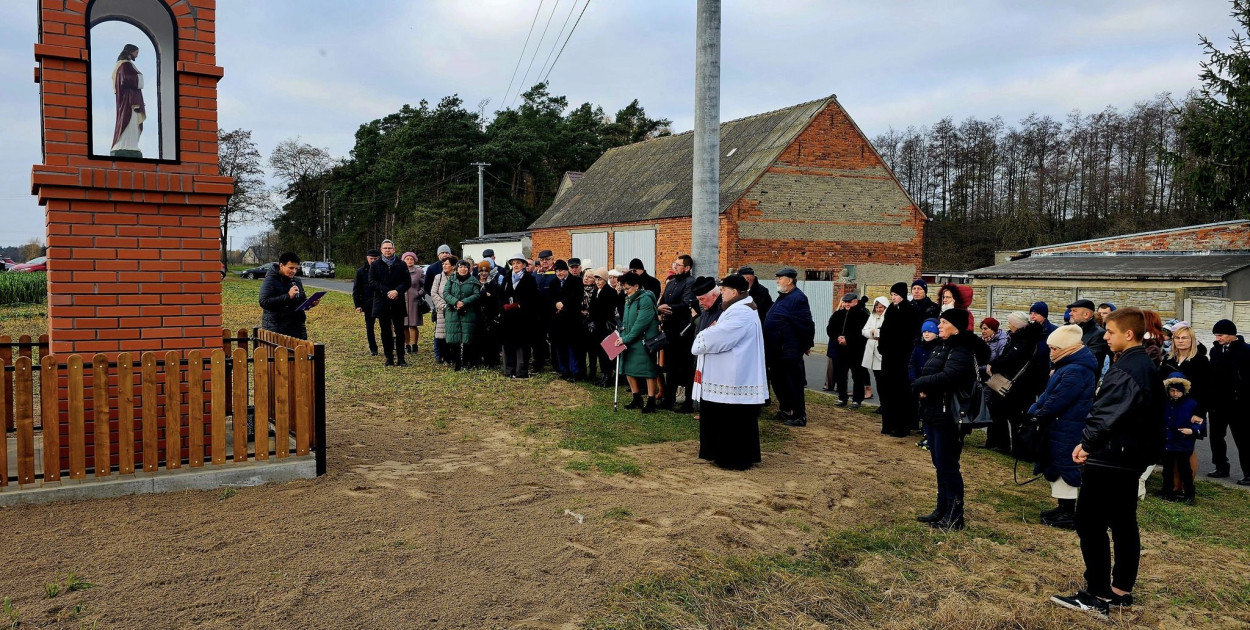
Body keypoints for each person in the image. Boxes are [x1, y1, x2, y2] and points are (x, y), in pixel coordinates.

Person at [1052, 307, 1164, 619]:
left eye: (1111, 332)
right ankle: (1120, 589)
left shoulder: (1130, 368)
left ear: (1129, 334)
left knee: (1090, 522)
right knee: (1123, 521)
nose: (1105, 337)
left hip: (1113, 457)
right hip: (1128, 457)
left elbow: (1108, 414)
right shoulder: (1140, 365)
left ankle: (1097, 593)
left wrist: (1087, 444)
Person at [911, 309, 981, 531]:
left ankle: (954, 515)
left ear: (956, 326)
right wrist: (925, 387)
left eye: (943, 322)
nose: (939, 326)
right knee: (939, 465)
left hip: (948, 416)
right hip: (933, 412)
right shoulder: (941, 346)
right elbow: (931, 372)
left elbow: (950, 376)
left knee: (949, 465)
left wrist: (922, 384)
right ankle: (941, 509)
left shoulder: (961, 349)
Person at [692, 274, 767, 470]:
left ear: (734, 292)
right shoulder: (737, 308)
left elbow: (720, 336)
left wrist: (702, 335)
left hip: (735, 376)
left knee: (733, 419)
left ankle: (734, 457)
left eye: (724, 289)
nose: (721, 292)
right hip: (729, 373)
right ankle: (719, 453)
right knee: (724, 416)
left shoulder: (742, 312)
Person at [1027, 324, 1097, 530]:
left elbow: (1058, 399)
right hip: (1061, 425)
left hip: (1067, 426)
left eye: (1055, 349)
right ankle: (1063, 508)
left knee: (1066, 466)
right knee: (1058, 465)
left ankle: (1069, 512)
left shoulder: (1076, 370)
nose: (1051, 353)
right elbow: (1050, 395)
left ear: (1067, 348)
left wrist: (1037, 413)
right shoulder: (1068, 366)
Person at [984, 311, 1048, 453]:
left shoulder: (1024, 340)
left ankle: (1009, 446)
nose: (1009, 325)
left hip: (1017, 384)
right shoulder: (1025, 338)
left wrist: (994, 366)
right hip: (1017, 383)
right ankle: (1006, 444)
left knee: (1010, 416)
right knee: (1007, 414)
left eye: (1010, 323)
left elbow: (1011, 359)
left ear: (1016, 325)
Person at [762, 268, 815, 427]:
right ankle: (785, 409)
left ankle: (799, 415)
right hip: (776, 350)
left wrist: (806, 344)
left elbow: (806, 324)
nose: (777, 281)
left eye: (780, 278)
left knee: (793, 383)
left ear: (790, 280)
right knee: (778, 381)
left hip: (789, 349)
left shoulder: (798, 298)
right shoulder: (783, 297)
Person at [1161, 323, 1208, 493]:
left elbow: (1205, 389)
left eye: (1184, 338)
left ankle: (1185, 486)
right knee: (1170, 449)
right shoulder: (1168, 359)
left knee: (1187, 449)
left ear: (1191, 340)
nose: (1180, 341)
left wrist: (1199, 413)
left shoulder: (1201, 360)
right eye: (1177, 338)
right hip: (1170, 409)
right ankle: (1172, 486)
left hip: (1190, 409)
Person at [1206, 319, 1250, 483]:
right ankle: (1221, 467)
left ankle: (1248, 473)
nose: (1218, 338)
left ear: (1232, 334)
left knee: (1243, 439)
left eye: (1221, 335)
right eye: (1216, 335)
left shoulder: (1246, 351)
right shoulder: (1215, 351)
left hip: (1239, 404)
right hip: (1218, 403)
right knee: (1216, 437)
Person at [614, 272, 662, 413]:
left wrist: (626, 338)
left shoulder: (645, 299)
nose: (626, 291)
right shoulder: (629, 298)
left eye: (628, 288)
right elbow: (625, 319)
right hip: (629, 338)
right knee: (629, 368)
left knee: (648, 370)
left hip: (643, 340)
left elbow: (641, 323)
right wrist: (622, 334)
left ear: (636, 286)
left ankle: (651, 400)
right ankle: (637, 398)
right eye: (624, 288)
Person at [877, 282, 918, 436]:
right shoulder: (890, 311)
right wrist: (882, 347)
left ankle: (901, 427)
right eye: (892, 295)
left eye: (896, 295)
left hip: (902, 358)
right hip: (888, 357)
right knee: (888, 391)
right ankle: (888, 424)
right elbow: (885, 331)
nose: (893, 298)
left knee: (901, 392)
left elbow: (910, 334)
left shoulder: (909, 310)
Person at [658, 255, 697, 412]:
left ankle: (688, 402)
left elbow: (685, 304)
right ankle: (669, 398)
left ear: (687, 268)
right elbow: (662, 301)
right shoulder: (672, 282)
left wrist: (667, 308)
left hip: (683, 331)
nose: (675, 267)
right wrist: (660, 309)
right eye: (674, 264)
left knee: (685, 367)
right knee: (670, 366)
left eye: (678, 265)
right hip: (669, 330)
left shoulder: (690, 282)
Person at [1161, 372, 1204, 504]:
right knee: (1167, 468)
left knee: (1185, 469)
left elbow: (1200, 422)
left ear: (1183, 391)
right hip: (1168, 441)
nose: (1174, 394)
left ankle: (1189, 493)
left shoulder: (1191, 404)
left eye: (1177, 391)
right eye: (1172, 391)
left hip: (1183, 441)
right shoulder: (1165, 403)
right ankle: (1167, 490)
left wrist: (1192, 430)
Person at [370, 240, 412, 366]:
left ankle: (401, 358)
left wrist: (397, 291)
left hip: (397, 302)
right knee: (385, 331)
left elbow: (407, 282)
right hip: (382, 302)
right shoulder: (375, 265)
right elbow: (372, 282)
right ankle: (389, 357)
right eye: (385, 248)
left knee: (400, 331)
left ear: (394, 249)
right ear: (381, 250)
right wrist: (387, 291)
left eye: (390, 248)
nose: (387, 250)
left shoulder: (401, 264)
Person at [827, 292, 870, 407]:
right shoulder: (838, 314)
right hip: (840, 350)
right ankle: (842, 398)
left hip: (856, 350)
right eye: (845, 302)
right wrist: (837, 337)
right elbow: (830, 328)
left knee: (857, 376)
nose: (847, 304)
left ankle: (857, 400)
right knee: (841, 375)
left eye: (849, 302)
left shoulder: (863, 315)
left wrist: (848, 340)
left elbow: (863, 333)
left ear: (855, 301)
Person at [500, 254, 539, 378]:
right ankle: (508, 370)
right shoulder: (506, 278)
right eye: (513, 263)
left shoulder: (530, 279)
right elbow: (501, 295)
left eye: (518, 263)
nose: (515, 265)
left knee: (522, 345)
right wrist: (504, 305)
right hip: (508, 318)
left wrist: (520, 304)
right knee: (508, 344)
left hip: (523, 318)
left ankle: (521, 371)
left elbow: (533, 298)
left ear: (524, 265)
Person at [259, 252, 314, 339]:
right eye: (291, 268)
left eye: (296, 268)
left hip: (297, 327)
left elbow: (300, 300)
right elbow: (264, 302)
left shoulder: (296, 281)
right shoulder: (270, 280)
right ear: (281, 265)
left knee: (300, 352)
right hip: (277, 328)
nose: (294, 271)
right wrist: (288, 296)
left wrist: (310, 303)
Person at [442, 260, 481, 371]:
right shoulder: (451, 280)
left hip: (468, 312)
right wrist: (455, 302)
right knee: (454, 339)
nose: (463, 269)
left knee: (467, 338)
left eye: (465, 267)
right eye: (461, 267)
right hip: (453, 312)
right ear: (457, 268)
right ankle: (457, 363)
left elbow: (476, 294)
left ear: (469, 269)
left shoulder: (473, 281)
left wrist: (464, 302)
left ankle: (466, 362)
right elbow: (446, 293)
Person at [549, 259, 584, 381]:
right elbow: (550, 298)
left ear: (566, 270)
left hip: (572, 320)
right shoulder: (553, 283)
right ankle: (564, 371)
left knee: (572, 348)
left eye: (561, 271)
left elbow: (577, 297)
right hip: (558, 321)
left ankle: (575, 372)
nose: (559, 273)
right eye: (557, 271)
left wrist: (563, 305)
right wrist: (556, 304)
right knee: (560, 347)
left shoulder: (576, 281)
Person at [111, 44, 145, 157]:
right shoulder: (125, 65)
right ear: (130, 52)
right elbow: (126, 79)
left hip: (130, 100)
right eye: (136, 52)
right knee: (129, 122)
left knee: (132, 124)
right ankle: (125, 145)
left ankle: (131, 145)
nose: (137, 55)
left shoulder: (124, 64)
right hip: (129, 102)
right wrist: (140, 77)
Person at [587, 267, 620, 387]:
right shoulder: (596, 291)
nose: (597, 282)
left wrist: (596, 320)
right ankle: (604, 376)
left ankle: (608, 376)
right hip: (597, 327)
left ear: (605, 280)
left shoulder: (610, 292)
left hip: (606, 327)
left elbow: (607, 310)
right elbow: (592, 308)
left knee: (607, 353)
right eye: (596, 279)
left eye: (599, 279)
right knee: (600, 353)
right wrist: (591, 320)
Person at [424, 245, 454, 362]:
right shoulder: (432, 268)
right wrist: (436, 302)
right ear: (438, 255)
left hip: (452, 304)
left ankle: (450, 354)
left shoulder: (455, 269)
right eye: (442, 253)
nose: (445, 254)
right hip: (438, 305)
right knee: (438, 330)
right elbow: (427, 287)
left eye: (447, 252)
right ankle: (438, 354)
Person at [861, 296, 889, 407]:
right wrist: (873, 333)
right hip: (871, 348)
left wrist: (875, 332)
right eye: (877, 307)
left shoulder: (887, 317)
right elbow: (864, 331)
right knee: (877, 378)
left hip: (881, 351)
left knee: (883, 379)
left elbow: (886, 333)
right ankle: (882, 404)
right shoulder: (872, 316)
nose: (879, 310)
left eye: (881, 307)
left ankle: (885, 404)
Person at [352, 249, 381, 356]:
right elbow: (356, 289)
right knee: (370, 326)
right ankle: (373, 348)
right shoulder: (361, 271)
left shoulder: (382, 269)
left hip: (381, 301)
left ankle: (390, 345)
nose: (373, 261)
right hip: (367, 303)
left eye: (375, 259)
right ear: (367, 258)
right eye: (371, 259)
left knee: (386, 325)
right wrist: (358, 305)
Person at [1067, 299, 1109, 370]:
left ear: (1086, 314)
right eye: (1071, 310)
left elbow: (1091, 360)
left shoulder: (1099, 334)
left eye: (1074, 311)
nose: (1070, 313)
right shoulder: (1070, 330)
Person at [430, 257, 457, 364]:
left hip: (454, 309)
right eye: (443, 264)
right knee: (441, 334)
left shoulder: (456, 277)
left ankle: (453, 357)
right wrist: (443, 305)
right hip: (441, 310)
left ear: (453, 266)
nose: (444, 266)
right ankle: (442, 356)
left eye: (447, 264)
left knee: (452, 334)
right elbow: (433, 293)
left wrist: (452, 304)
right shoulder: (438, 277)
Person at [475, 261, 501, 368]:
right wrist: (484, 294)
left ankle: (491, 361)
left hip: (490, 314)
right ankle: (478, 360)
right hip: (478, 314)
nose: (483, 273)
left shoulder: (493, 283)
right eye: (481, 271)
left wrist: (486, 295)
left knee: (490, 339)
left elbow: (495, 298)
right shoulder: (475, 282)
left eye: (486, 271)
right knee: (478, 338)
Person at [402, 252, 425, 354]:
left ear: (414, 260)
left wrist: (419, 293)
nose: (409, 261)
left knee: (413, 325)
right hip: (402, 301)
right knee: (404, 325)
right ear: (403, 260)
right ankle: (407, 344)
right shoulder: (400, 271)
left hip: (414, 302)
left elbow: (425, 285)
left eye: (411, 259)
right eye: (407, 259)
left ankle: (414, 344)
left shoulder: (419, 272)